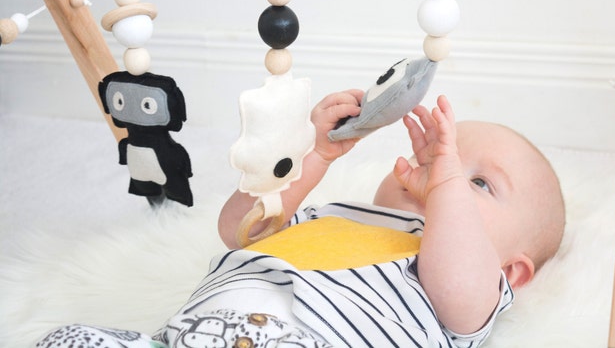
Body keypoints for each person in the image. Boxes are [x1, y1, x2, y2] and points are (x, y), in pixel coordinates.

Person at [36, 91, 565, 348]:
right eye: (434, 156)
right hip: (184, 336)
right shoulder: (326, 217)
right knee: (72, 339)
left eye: (479, 182)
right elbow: (237, 229)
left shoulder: (469, 279)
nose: (436, 171)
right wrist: (312, 154)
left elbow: (458, 285)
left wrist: (446, 182)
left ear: (511, 271)